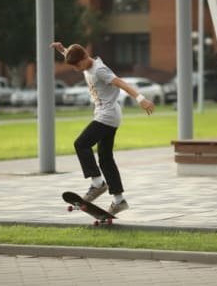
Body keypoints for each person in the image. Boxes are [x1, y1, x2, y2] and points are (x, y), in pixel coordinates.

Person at [50, 42, 154, 215]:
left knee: (81, 144)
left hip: (107, 115)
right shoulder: (85, 62)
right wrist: (63, 50)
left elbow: (121, 83)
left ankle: (98, 184)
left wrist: (140, 98)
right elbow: (75, 55)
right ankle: (119, 200)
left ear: (84, 58)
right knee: (105, 158)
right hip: (109, 114)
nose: (77, 69)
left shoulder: (99, 70)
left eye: (77, 65)